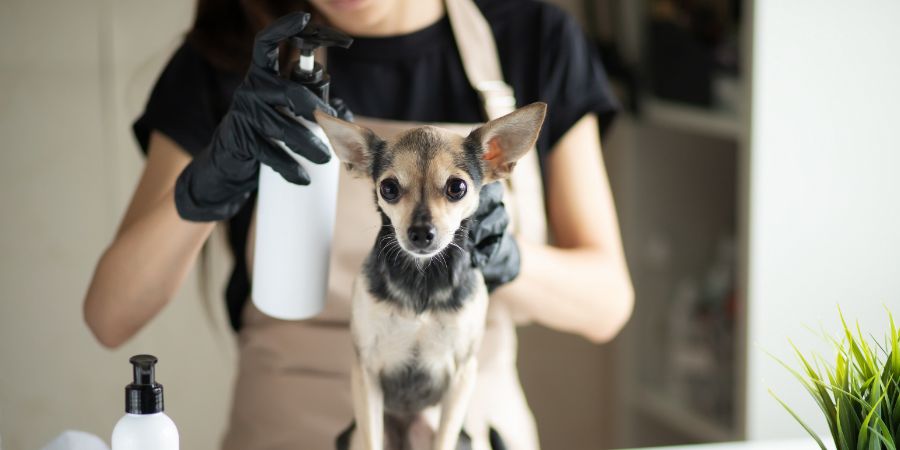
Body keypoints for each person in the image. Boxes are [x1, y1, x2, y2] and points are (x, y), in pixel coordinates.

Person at [83, 0, 634, 448]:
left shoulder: (533, 38)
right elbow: (110, 316)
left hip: (464, 428)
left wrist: (506, 258)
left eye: (452, 190)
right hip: (288, 431)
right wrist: (204, 188)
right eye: (392, 189)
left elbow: (607, 305)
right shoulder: (232, 52)